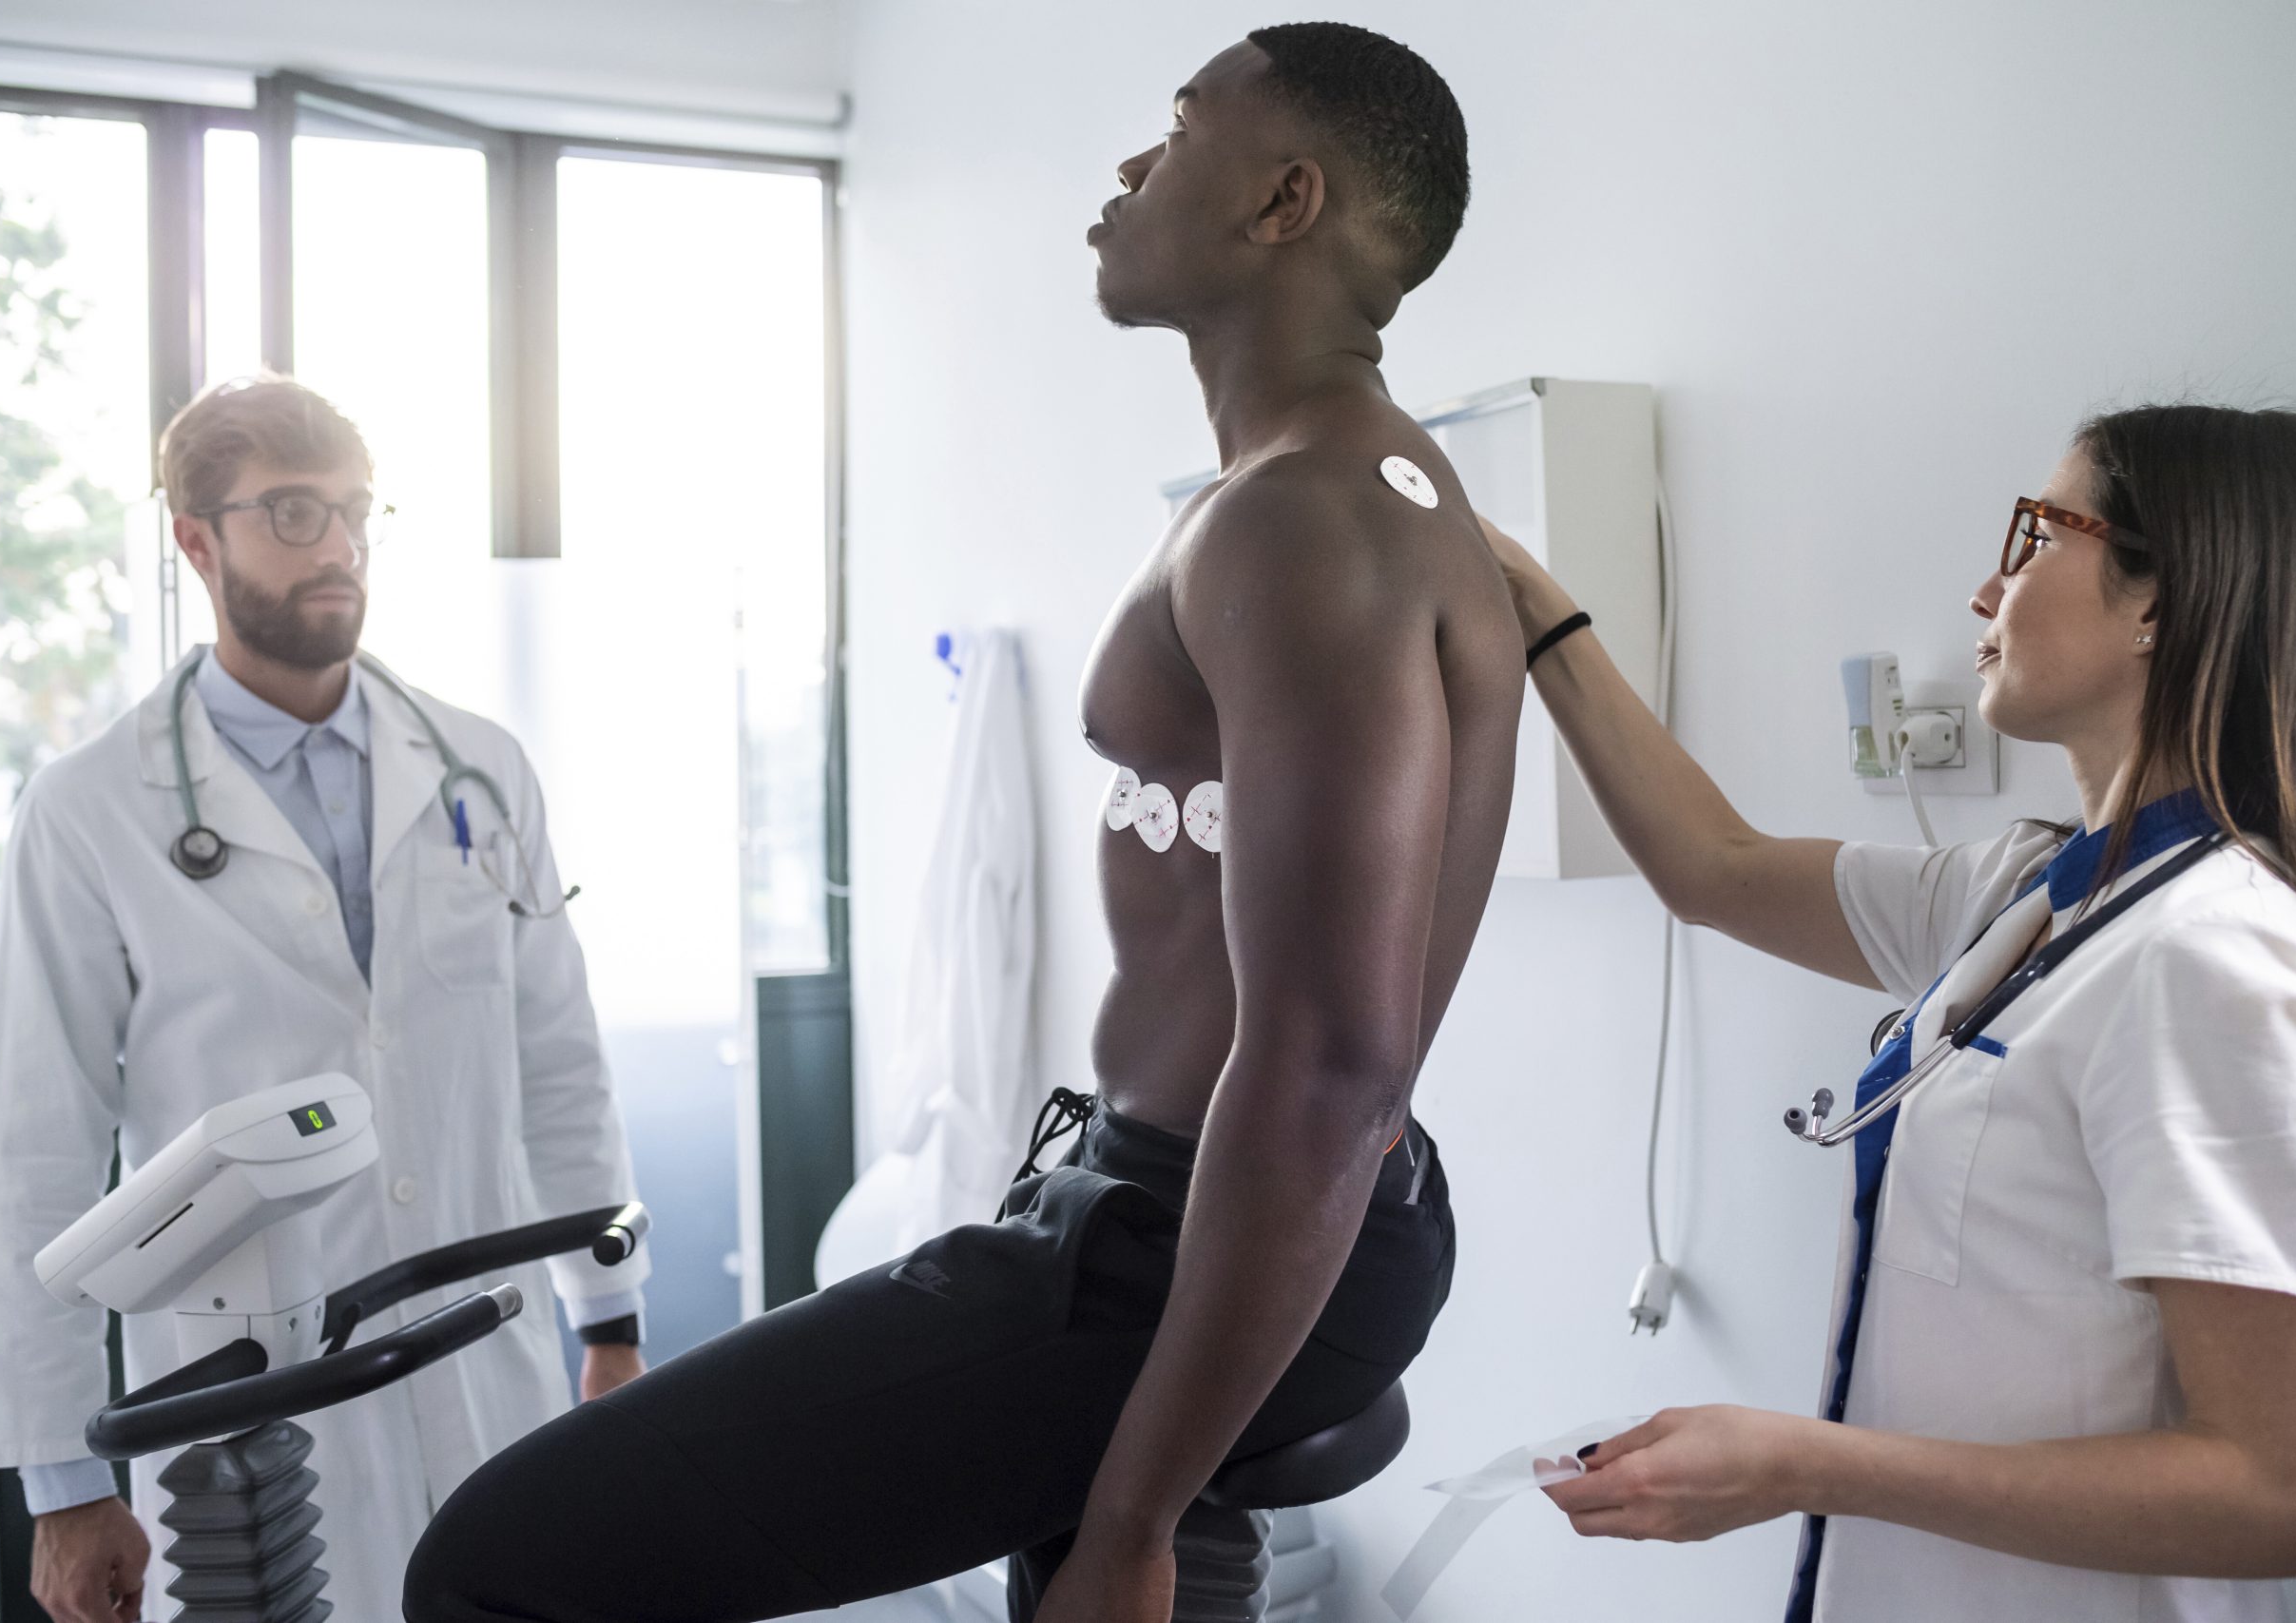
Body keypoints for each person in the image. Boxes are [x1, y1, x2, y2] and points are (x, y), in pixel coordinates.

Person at [404, 22, 1521, 1623]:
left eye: (1177, 129)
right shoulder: (1342, 493)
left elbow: (1329, 1066)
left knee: (499, 1567)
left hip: (1185, 1240)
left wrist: (1134, 1514)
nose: (1130, 169)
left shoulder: (1304, 519)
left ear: (1284, 202)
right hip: (1182, 1207)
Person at [1495, 404, 2296, 1620]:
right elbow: (1712, 865)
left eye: (2031, 540)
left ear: (2156, 604)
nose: (1985, 591)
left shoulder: (2215, 963)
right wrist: (1525, 600)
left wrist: (1801, 1464)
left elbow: (2282, 1494)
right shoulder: (2031, 895)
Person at [0, 375, 652, 1623]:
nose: (337, 547)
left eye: (354, 511)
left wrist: (609, 1315)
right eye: (291, 513)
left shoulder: (481, 769)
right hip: (238, 1397)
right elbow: (35, 1153)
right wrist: (66, 1482)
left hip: (483, 1362)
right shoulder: (88, 808)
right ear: (196, 538)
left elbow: (558, 1058)